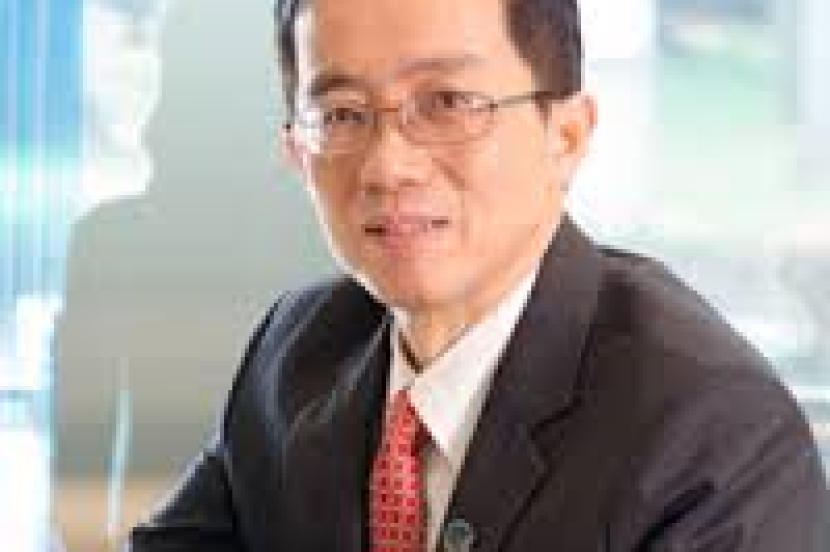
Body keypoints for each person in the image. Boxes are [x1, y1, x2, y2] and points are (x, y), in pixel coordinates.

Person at [127, 0, 828, 550]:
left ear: (567, 135)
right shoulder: (297, 350)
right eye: (341, 114)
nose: (388, 166)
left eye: (448, 103)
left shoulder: (712, 430)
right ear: (296, 153)